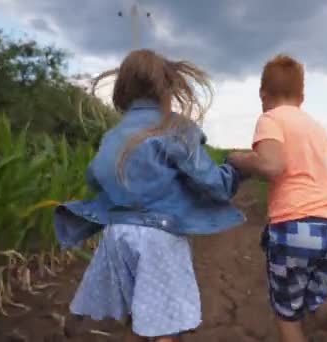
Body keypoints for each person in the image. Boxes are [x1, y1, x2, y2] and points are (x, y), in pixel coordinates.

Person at [53, 49, 246, 342]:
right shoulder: (175, 127)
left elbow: (94, 176)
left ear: (123, 90)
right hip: (158, 237)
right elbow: (211, 182)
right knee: (165, 326)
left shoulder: (114, 134)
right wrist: (235, 170)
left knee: (137, 318)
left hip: (116, 236)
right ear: (167, 86)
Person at [227, 54, 327, 342]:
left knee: (288, 314)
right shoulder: (316, 127)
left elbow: (272, 166)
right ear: (302, 96)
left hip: (295, 227)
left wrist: (237, 160)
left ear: (263, 94)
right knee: (322, 303)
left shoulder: (270, 118)